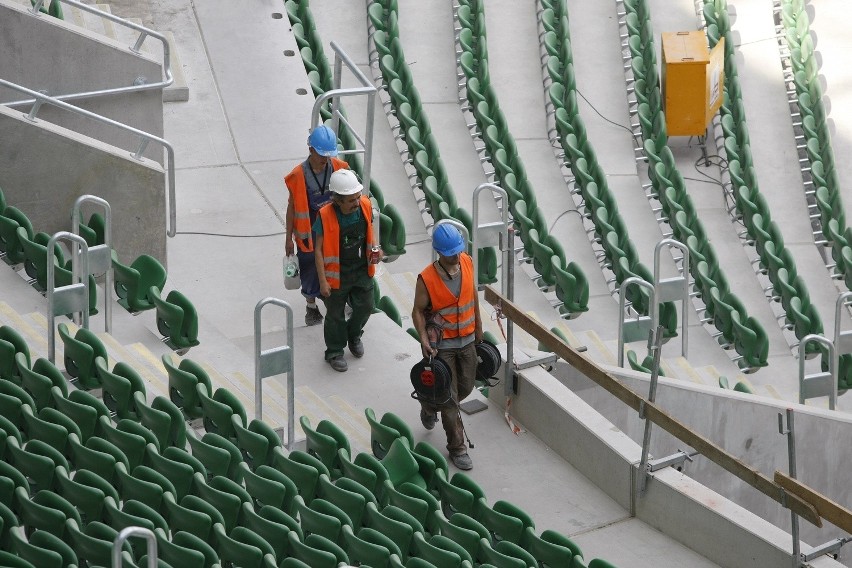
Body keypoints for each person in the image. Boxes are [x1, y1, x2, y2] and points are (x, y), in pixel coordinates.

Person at [411, 224, 483, 470]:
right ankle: (457, 447)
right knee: (451, 400)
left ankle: (430, 404)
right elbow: (418, 311)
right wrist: (423, 339)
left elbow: (472, 296)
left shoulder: (467, 262)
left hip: (468, 341)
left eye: (458, 250)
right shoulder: (427, 279)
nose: (456, 256)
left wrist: (479, 330)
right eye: (451, 253)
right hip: (443, 347)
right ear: (440, 252)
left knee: (466, 387)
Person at [284, 124, 350, 326]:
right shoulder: (298, 175)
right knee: (310, 265)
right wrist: (288, 239)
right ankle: (311, 307)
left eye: (328, 155)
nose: (325, 160)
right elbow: (292, 208)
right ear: (310, 150)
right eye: (322, 155)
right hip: (308, 229)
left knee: (337, 261)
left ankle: (338, 298)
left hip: (333, 225)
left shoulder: (339, 168)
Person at [314, 169, 379, 372]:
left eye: (357, 197)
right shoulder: (324, 216)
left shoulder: (365, 206)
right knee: (335, 315)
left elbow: (370, 230)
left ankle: (354, 334)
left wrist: (376, 249)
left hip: (360, 269)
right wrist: (323, 281)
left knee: (367, 305)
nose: (356, 202)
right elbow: (317, 250)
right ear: (337, 201)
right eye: (351, 200)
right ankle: (334, 351)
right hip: (336, 275)